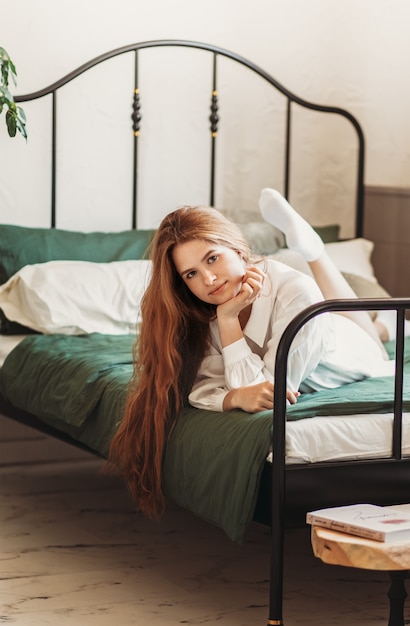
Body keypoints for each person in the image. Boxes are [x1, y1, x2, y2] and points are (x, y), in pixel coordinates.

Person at [108, 188, 394, 518]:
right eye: (191, 274)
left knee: (375, 347)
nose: (209, 279)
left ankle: (316, 253)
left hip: (345, 350)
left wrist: (229, 322)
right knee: (361, 326)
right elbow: (200, 386)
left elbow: (265, 394)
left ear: (238, 248)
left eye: (212, 258)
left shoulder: (295, 293)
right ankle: (385, 325)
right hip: (313, 331)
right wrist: (231, 398)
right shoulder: (202, 310)